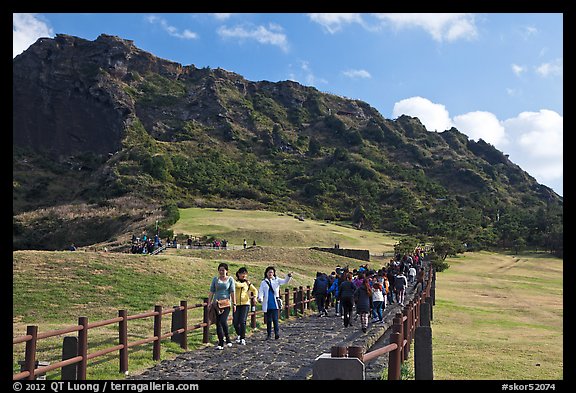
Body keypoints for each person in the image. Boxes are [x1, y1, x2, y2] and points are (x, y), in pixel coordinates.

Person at [258, 266, 293, 340]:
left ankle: (276, 333)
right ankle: (269, 334)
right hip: (267, 303)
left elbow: (285, 281)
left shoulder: (277, 280)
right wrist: (260, 298)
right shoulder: (263, 282)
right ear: (266, 273)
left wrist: (288, 276)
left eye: (272, 272)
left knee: (275, 319)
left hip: (275, 302)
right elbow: (261, 291)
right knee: (268, 320)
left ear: (274, 273)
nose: (270, 274)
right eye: (269, 272)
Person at [208, 263, 236, 350]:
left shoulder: (230, 279)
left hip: (226, 303)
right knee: (218, 323)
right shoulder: (215, 280)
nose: (221, 272)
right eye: (220, 270)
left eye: (223, 270)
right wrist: (209, 302)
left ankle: (228, 339)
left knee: (223, 321)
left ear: (226, 271)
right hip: (216, 303)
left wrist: (234, 303)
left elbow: (232, 292)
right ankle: (220, 342)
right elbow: (212, 291)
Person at [233, 267, 259, 345]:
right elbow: (237, 285)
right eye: (242, 273)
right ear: (238, 274)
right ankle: (239, 334)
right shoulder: (234, 282)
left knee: (242, 321)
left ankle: (242, 338)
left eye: (245, 273)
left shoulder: (248, 283)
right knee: (235, 322)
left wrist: (255, 297)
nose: (244, 275)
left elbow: (255, 290)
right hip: (236, 304)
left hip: (245, 304)